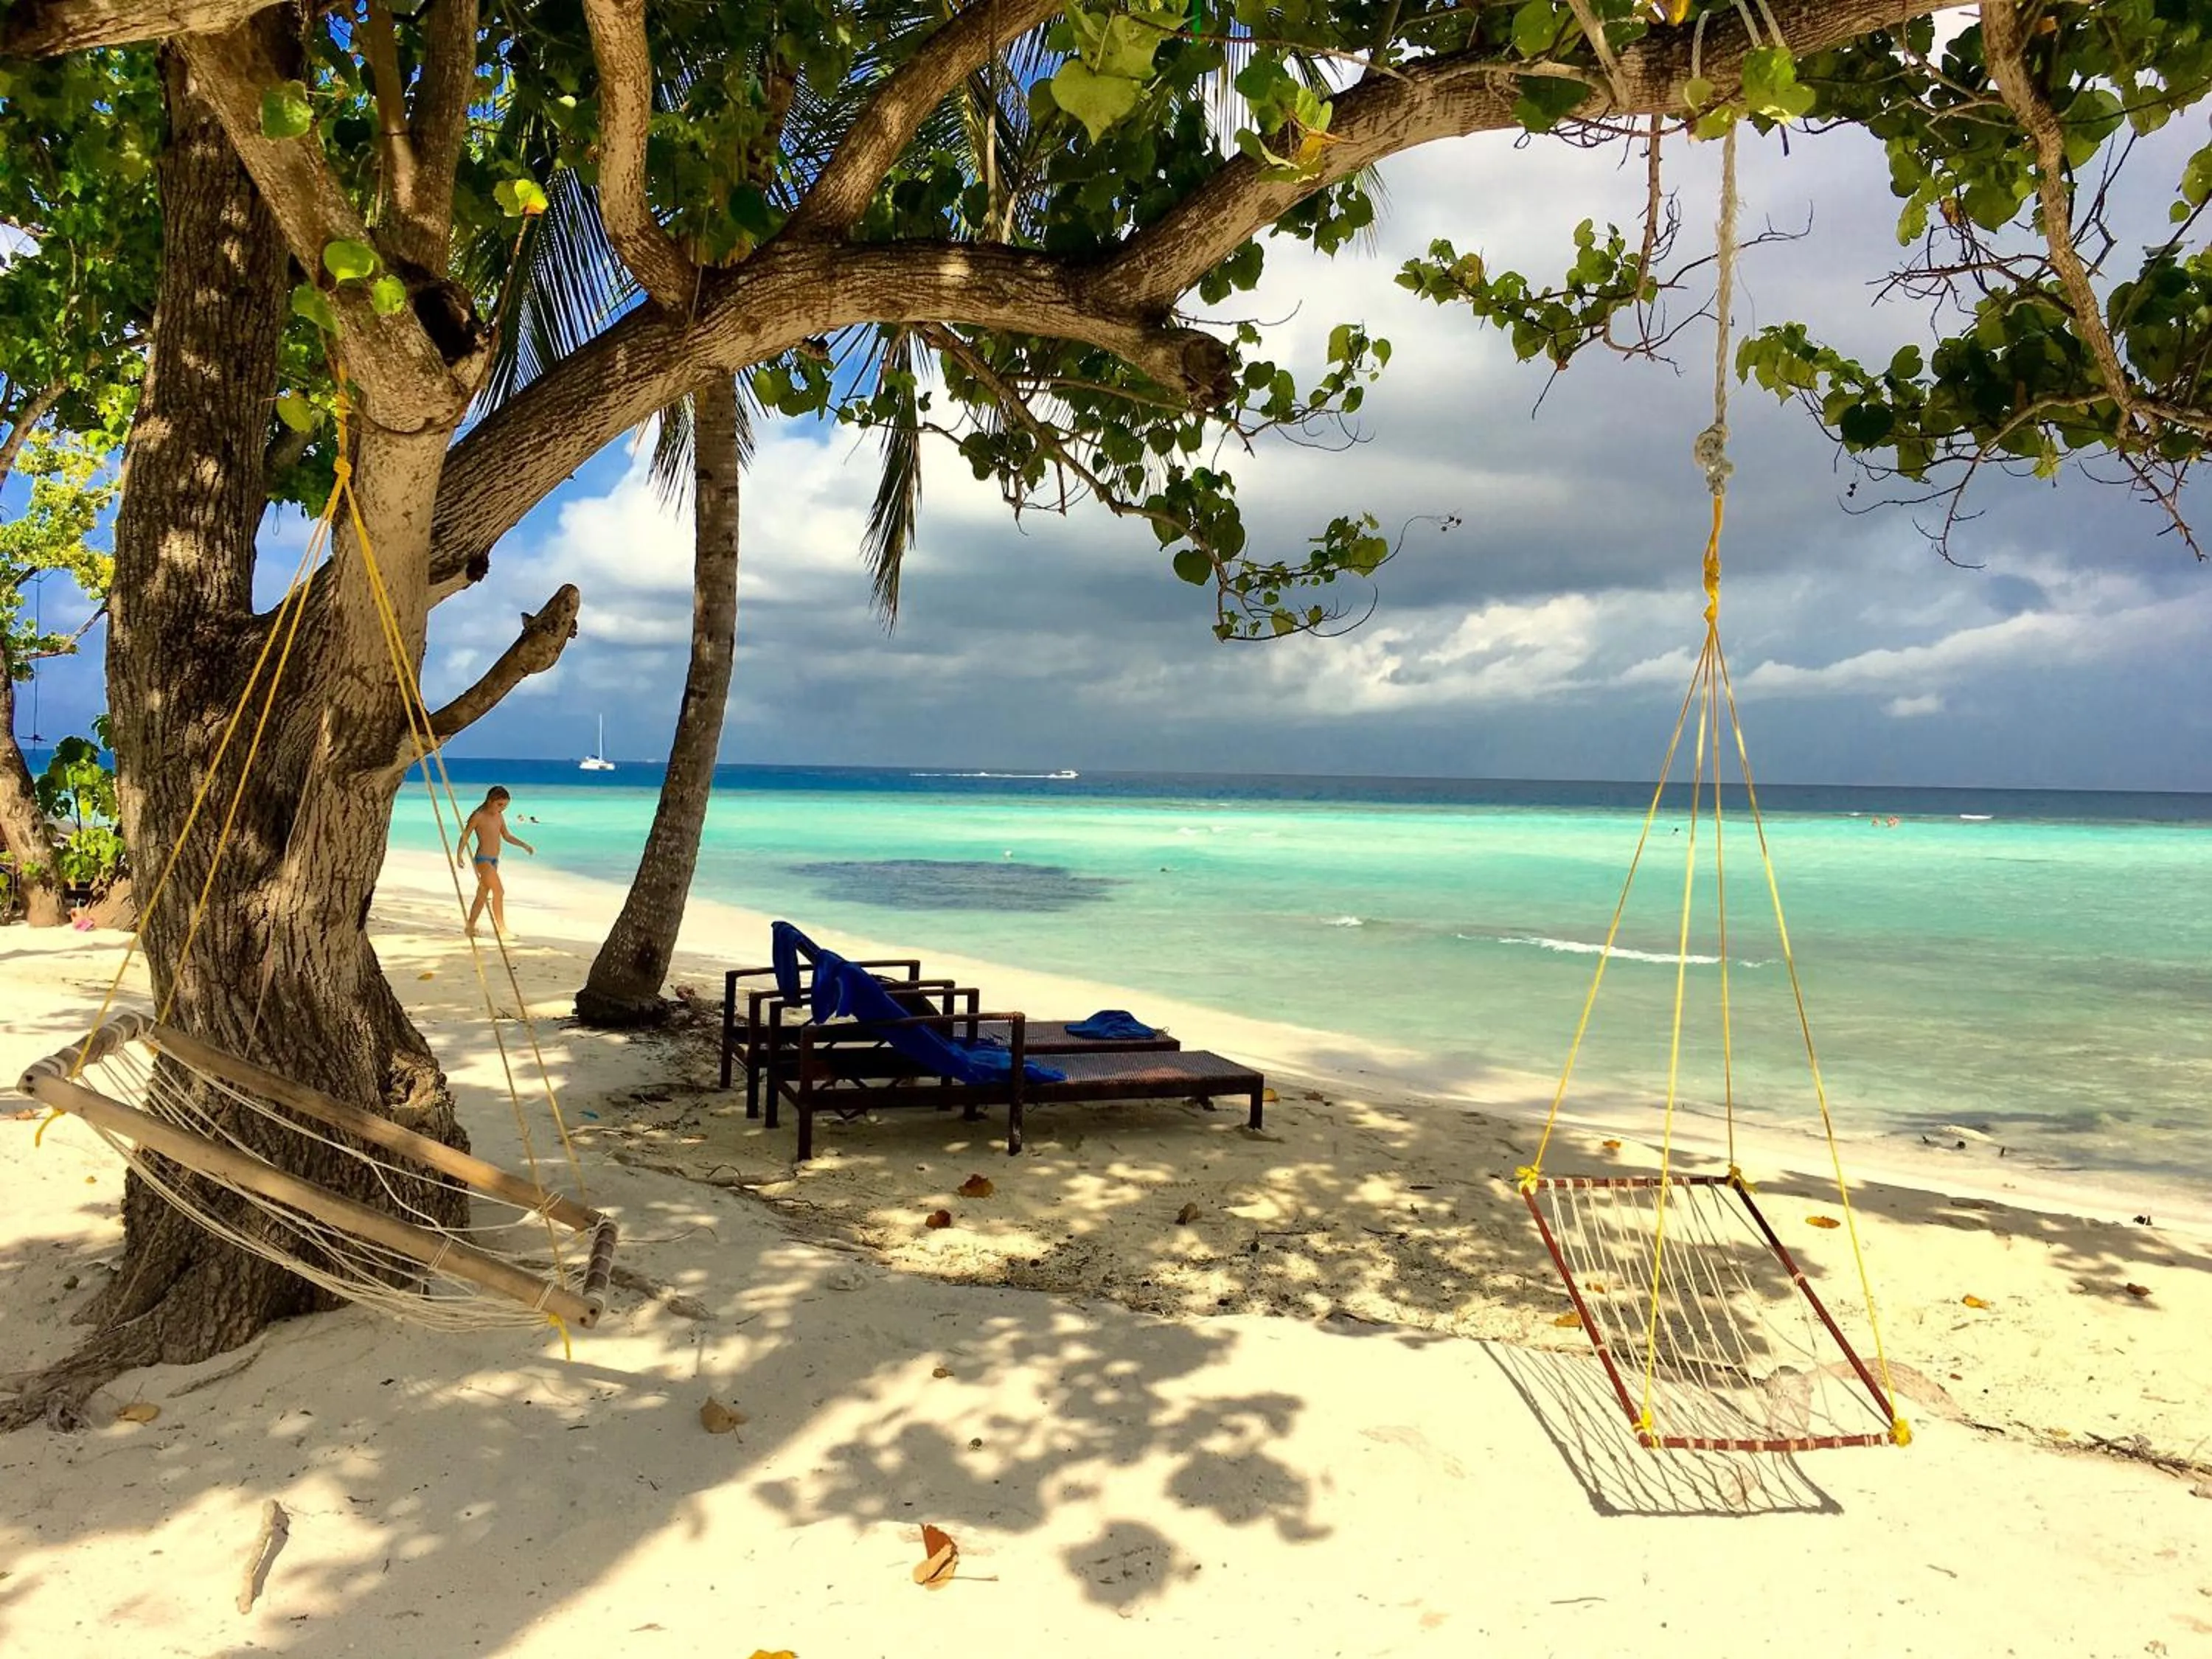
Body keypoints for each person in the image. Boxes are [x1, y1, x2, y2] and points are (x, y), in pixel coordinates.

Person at [459, 787, 534, 938]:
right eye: (500, 805)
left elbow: (506, 836)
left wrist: (524, 845)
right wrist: (459, 855)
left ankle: (470, 927)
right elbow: (466, 835)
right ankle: (502, 929)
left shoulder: (499, 816)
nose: (502, 809)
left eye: (505, 806)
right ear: (490, 801)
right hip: (483, 860)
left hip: (494, 861)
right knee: (499, 892)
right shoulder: (478, 816)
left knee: (482, 895)